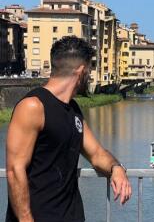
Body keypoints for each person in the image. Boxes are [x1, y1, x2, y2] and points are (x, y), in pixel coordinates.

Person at [5, 36, 132, 222]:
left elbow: (96, 153)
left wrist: (116, 168)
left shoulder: (73, 110)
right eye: (90, 70)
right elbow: (15, 170)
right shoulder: (33, 106)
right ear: (81, 71)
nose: (89, 76)